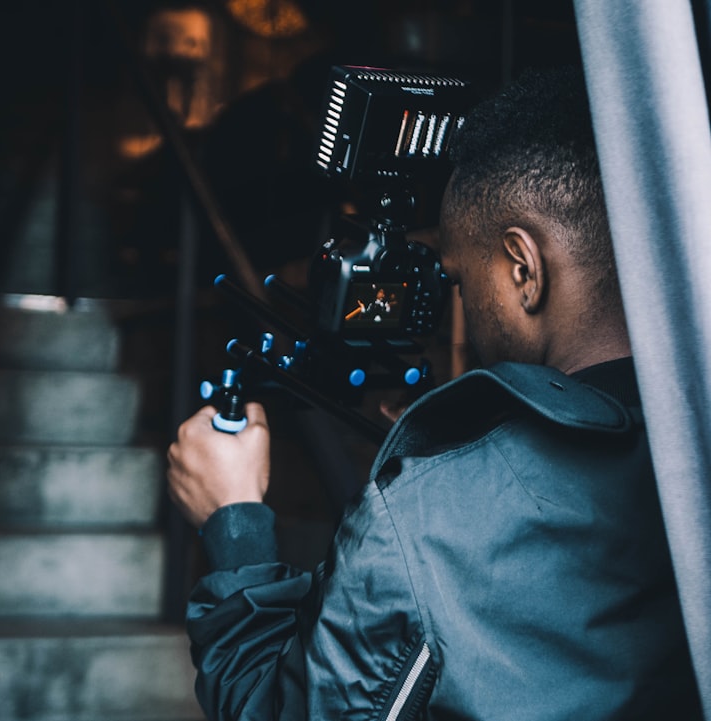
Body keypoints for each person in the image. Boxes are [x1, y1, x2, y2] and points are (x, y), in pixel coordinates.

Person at [166, 65, 702, 719]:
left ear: (524, 268)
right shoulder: (691, 448)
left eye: (457, 277)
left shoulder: (430, 517)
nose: (462, 308)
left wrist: (233, 519)